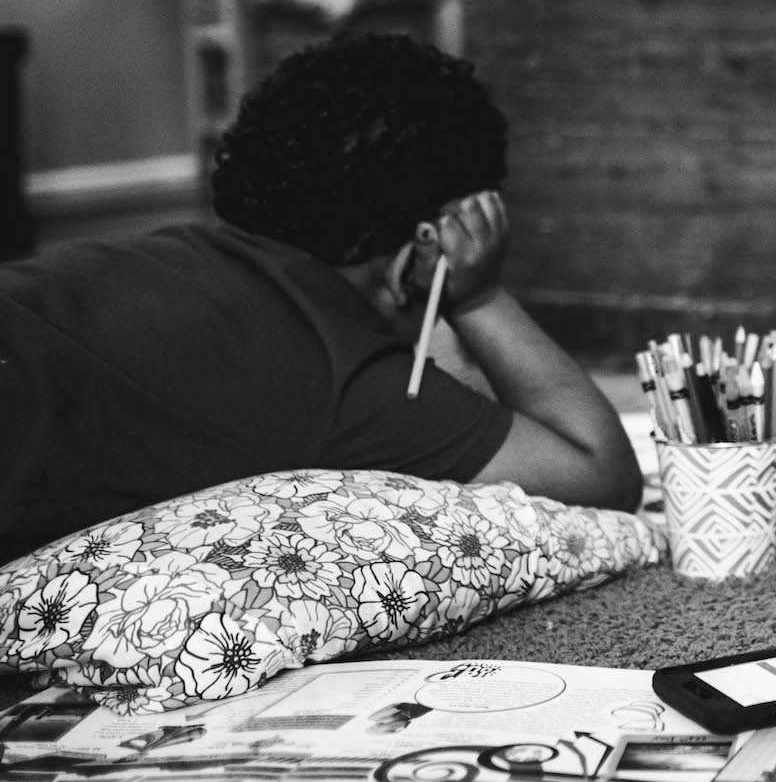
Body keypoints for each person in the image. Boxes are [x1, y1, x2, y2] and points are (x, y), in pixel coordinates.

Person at [0, 32, 640, 563]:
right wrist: (477, 295)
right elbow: (600, 471)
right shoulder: (346, 375)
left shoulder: (167, 252)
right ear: (421, 247)